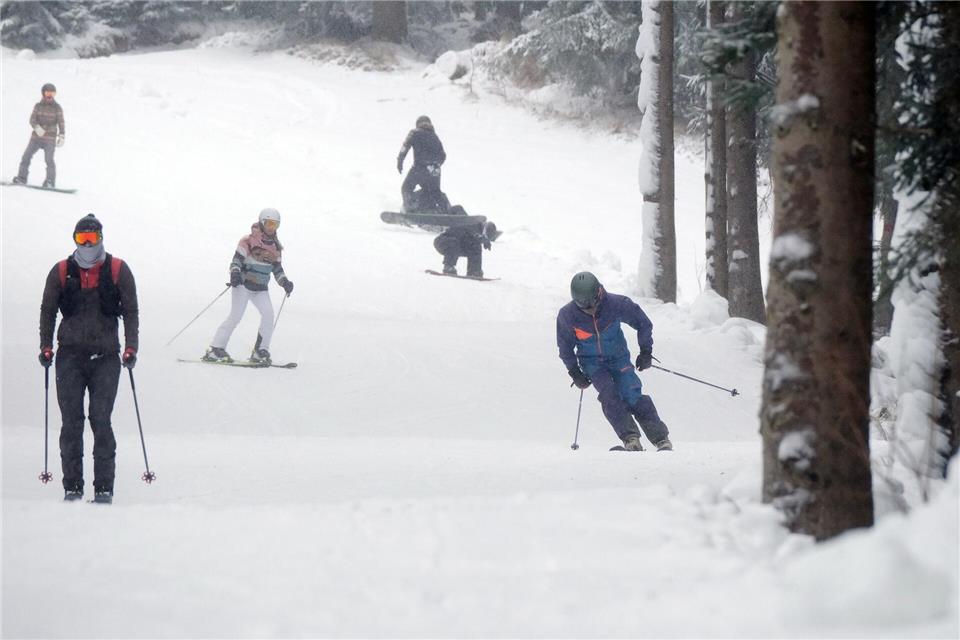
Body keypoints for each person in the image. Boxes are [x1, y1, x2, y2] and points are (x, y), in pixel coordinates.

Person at [39, 214, 139, 503]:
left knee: (100, 418)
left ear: (100, 239)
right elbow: (47, 310)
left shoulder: (118, 269)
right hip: (69, 356)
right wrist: (46, 346)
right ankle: (72, 487)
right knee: (71, 422)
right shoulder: (60, 271)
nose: (86, 244)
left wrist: (131, 347)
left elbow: (131, 311)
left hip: (106, 357)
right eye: (80, 239)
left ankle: (104, 488)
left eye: (91, 239)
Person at [556, 272, 673, 451]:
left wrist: (646, 351)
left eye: (591, 303)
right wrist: (574, 372)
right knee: (609, 394)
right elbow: (565, 347)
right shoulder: (568, 316)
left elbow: (643, 323)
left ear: (599, 293)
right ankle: (631, 439)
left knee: (631, 393)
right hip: (592, 364)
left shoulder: (616, 304)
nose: (589, 309)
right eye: (583, 305)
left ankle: (661, 439)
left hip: (618, 358)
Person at [204, 208, 293, 365]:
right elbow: (237, 260)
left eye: (275, 225)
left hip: (260, 289)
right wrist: (235, 273)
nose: (272, 228)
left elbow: (277, 269)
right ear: (262, 222)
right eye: (269, 224)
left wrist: (285, 282)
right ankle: (215, 349)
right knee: (235, 316)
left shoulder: (276, 247)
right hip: (243, 286)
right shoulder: (248, 240)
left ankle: (260, 351)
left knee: (268, 315)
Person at [14, 82, 65, 189]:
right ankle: (22, 178)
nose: (50, 95)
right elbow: (32, 119)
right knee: (26, 157)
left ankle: (50, 182)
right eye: (47, 93)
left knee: (49, 160)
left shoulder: (57, 108)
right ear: (43, 93)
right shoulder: (38, 106)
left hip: (50, 139)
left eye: (52, 93)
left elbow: (61, 122)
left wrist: (62, 135)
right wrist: (37, 128)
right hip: (36, 138)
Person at [397, 115, 447, 213]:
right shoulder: (434, 136)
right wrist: (435, 166)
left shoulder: (415, 132)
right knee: (433, 193)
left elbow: (405, 146)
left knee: (406, 188)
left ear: (418, 124)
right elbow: (443, 155)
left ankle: (410, 211)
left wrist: (400, 161)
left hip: (420, 168)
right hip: (435, 170)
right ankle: (443, 211)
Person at [433, 209, 498, 278]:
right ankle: (448, 267)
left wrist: (484, 240)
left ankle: (474, 270)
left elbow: (473, 239)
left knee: (476, 246)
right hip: (442, 241)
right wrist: (480, 238)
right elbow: (471, 232)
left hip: (459, 245)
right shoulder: (472, 224)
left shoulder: (478, 232)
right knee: (453, 242)